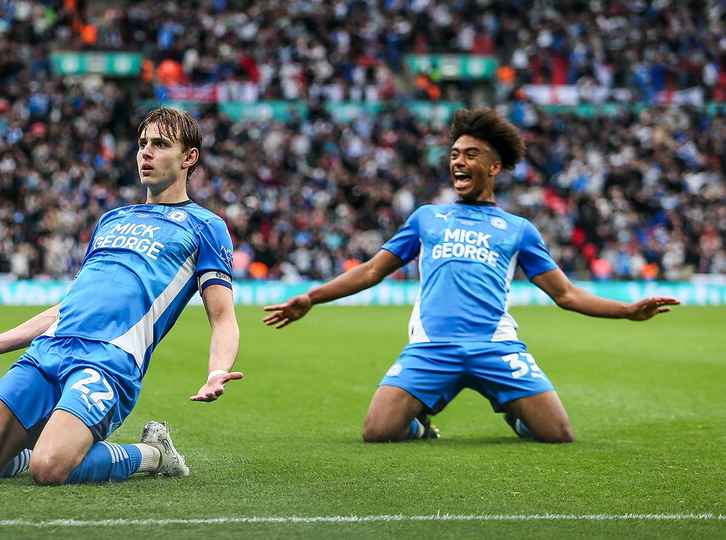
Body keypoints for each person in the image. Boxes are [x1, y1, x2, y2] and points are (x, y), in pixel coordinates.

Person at [263, 108, 679, 444]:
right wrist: (312, 297)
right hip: (433, 348)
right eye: (454, 154)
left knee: (558, 434)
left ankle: (517, 413)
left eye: (471, 154)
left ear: (495, 166)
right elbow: (373, 270)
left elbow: (566, 294)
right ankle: (420, 427)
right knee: (377, 432)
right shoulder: (426, 217)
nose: (458, 162)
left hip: (494, 346)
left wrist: (627, 310)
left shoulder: (519, 229)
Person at [0, 108, 242, 484]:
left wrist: (216, 372)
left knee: (49, 469)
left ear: (189, 157)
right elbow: (67, 307)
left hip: (109, 361)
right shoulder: (112, 219)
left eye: (160, 144)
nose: (146, 152)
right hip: (48, 352)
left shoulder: (206, 226)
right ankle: (45, 448)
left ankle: (154, 454)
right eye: (142, 144)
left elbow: (222, 316)